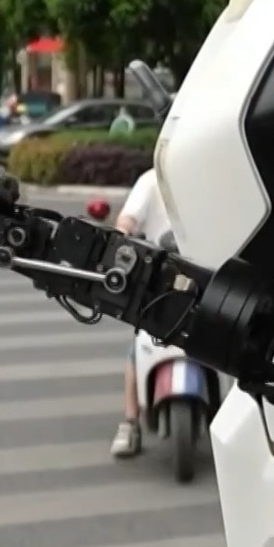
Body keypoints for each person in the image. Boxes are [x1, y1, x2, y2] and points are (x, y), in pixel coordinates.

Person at [110, 167, 171, 458]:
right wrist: (121, 235)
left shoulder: (208, 176)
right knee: (140, 345)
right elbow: (128, 218)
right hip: (159, 279)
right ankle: (131, 422)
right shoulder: (151, 180)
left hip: (210, 276)